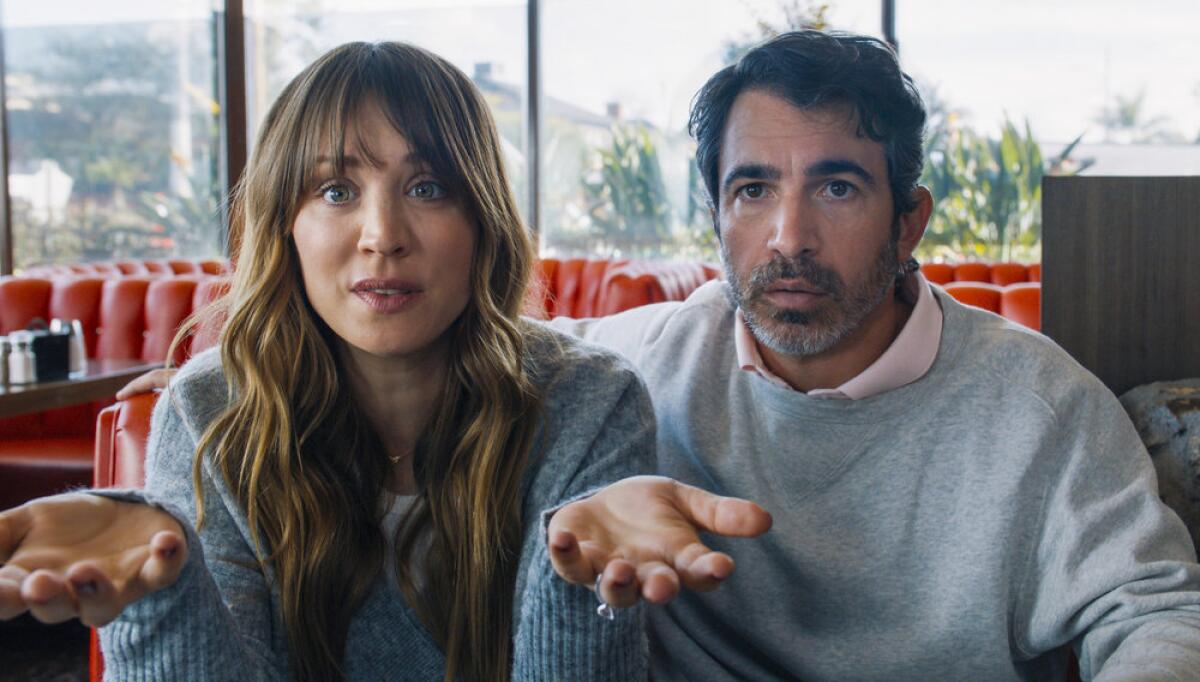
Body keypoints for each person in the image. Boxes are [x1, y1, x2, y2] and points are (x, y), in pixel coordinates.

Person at [541, 30, 1200, 681]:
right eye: (753, 191)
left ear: (909, 222)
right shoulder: (643, 361)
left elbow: (1157, 615)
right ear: (715, 212)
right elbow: (482, 353)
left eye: (837, 189)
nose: (788, 238)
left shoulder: (1042, 406)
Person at [0, 42, 656, 681]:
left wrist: (581, 585)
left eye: (428, 187)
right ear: (285, 221)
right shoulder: (210, 413)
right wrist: (158, 592)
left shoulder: (590, 403)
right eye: (336, 191)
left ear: (483, 218)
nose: (383, 237)